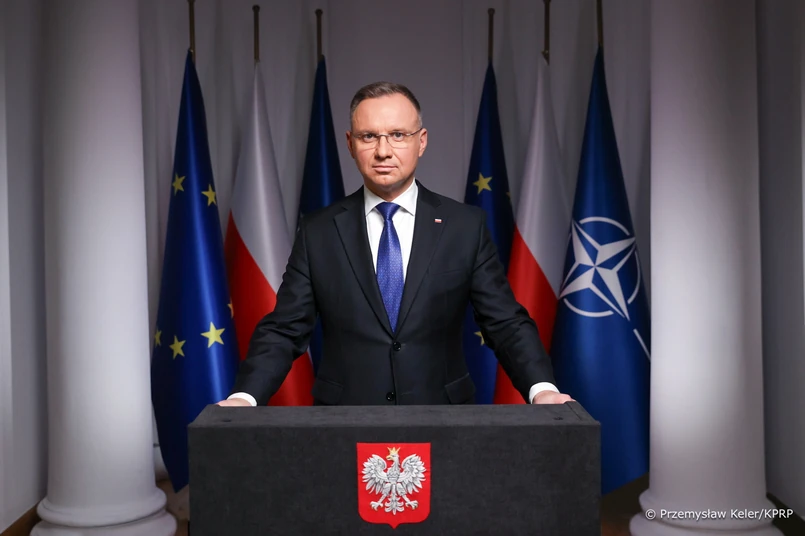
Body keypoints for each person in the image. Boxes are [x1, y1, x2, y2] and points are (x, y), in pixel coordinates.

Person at [217, 81, 572, 407]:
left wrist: (542, 389)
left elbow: (505, 322)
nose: (383, 151)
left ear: (422, 141)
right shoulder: (318, 231)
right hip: (344, 422)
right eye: (369, 136)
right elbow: (284, 329)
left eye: (398, 135)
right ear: (350, 144)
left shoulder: (465, 227)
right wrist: (244, 397)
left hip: (443, 419)